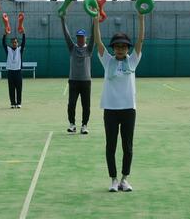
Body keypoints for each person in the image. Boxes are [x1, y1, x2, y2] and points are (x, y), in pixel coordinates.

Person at [94, 12, 145, 192]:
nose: (120, 49)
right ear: (114, 48)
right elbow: (98, 43)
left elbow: (140, 41)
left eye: (124, 46)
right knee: (111, 146)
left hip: (129, 109)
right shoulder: (107, 61)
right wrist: (95, 20)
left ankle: (125, 179)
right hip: (110, 109)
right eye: (117, 46)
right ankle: (114, 180)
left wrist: (141, 18)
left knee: (127, 146)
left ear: (127, 48)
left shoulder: (133, 60)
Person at [61, 16, 94, 134]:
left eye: (82, 37)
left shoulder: (89, 49)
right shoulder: (72, 48)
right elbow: (66, 35)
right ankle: (72, 124)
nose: (80, 39)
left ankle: (84, 125)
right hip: (73, 81)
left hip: (86, 81)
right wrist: (63, 19)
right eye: (78, 37)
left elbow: (95, 36)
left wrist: (95, 20)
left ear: (86, 38)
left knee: (86, 106)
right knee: (71, 104)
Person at [2, 29, 26, 108]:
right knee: (11, 89)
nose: (14, 43)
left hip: (18, 72)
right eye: (13, 42)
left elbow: (23, 43)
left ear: (17, 43)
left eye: (16, 42)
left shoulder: (20, 50)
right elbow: (3, 43)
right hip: (10, 72)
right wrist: (5, 34)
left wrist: (23, 34)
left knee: (19, 88)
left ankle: (19, 103)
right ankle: (13, 103)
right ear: (11, 43)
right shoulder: (8, 50)